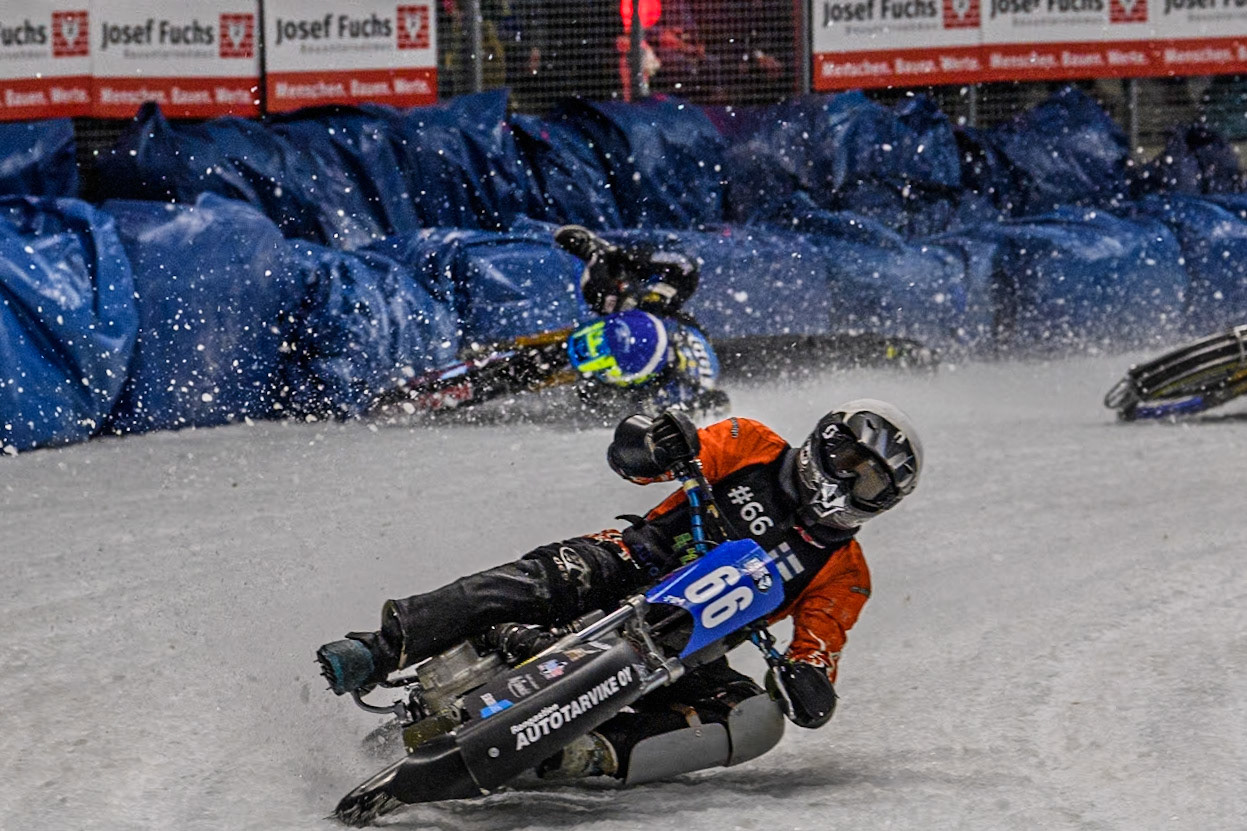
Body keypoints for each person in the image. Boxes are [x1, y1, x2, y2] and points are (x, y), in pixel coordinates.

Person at [317, 398, 922, 784]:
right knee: (548, 577)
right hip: (630, 559)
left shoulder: (846, 573)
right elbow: (640, 459)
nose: (845, 477)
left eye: (867, 479)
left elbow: (819, 652)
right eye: (847, 456)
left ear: (882, 504)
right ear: (824, 439)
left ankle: (589, 753)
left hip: (692, 642)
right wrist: (654, 439)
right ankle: (379, 648)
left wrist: (807, 682)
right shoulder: (750, 441)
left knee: (756, 719)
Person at [554, 224, 726, 416]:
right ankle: (602, 254)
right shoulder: (644, 305)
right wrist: (614, 257)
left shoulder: (679, 393)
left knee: (599, 400)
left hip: (656, 368)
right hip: (656, 322)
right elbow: (686, 266)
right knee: (603, 296)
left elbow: (719, 407)